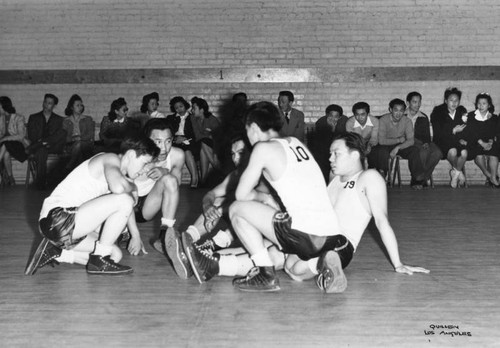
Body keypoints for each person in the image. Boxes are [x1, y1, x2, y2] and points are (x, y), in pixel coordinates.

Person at [188, 101, 342, 292]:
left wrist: (256, 199)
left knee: (237, 208)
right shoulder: (296, 142)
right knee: (287, 261)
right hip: (331, 234)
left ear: (253, 128)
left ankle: (265, 274)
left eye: (247, 131)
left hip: (307, 236)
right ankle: (217, 257)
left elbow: (241, 195)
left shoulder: (263, 148)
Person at [284, 132, 430, 292]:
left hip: (340, 245)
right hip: (317, 239)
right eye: (330, 154)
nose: (330, 159)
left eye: (336, 154)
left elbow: (382, 221)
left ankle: (329, 264)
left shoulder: (369, 177)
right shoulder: (334, 176)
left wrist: (398, 264)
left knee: (296, 271)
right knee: (279, 260)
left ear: (354, 155)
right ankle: (322, 265)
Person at [24, 136, 160, 276]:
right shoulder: (111, 159)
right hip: (58, 217)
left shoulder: (118, 175)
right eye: (145, 163)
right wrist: (133, 187)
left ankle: (57, 252)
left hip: (65, 226)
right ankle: (99, 259)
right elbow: (120, 192)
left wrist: (135, 235)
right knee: (124, 200)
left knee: (114, 255)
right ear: (131, 154)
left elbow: (126, 206)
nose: (144, 170)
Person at [128, 118, 189, 278]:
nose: (164, 148)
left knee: (169, 180)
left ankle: (165, 235)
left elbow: (175, 183)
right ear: (147, 141)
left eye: (168, 141)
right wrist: (135, 234)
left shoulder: (177, 155)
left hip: (148, 205)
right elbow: (121, 194)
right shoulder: (135, 155)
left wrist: (164, 172)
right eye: (158, 142)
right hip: (126, 205)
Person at [372, 98, 425, 189]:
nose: (398, 113)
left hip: (400, 145)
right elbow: (381, 141)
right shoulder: (383, 120)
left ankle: (416, 180)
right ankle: (382, 178)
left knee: (414, 150)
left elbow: (410, 140)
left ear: (404, 111)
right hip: (385, 145)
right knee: (381, 151)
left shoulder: (407, 121)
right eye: (395, 110)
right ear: (390, 110)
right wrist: (398, 140)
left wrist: (398, 147)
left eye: (401, 111)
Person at [26, 93, 66, 189]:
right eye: (45, 102)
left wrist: (46, 141)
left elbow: (60, 137)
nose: (46, 105)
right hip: (40, 147)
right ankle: (41, 183)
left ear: (54, 106)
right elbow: (31, 135)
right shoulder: (33, 117)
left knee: (63, 132)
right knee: (41, 150)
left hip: (53, 146)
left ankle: (41, 143)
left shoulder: (59, 119)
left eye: (49, 103)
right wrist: (42, 143)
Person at [430, 87, 468, 188]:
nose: (454, 103)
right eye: (451, 100)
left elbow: (465, 129)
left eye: (456, 100)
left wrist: (462, 138)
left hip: (457, 141)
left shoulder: (462, 111)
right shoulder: (437, 112)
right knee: (453, 151)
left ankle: (455, 174)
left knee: (464, 153)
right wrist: (453, 130)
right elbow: (438, 132)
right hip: (442, 142)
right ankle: (459, 172)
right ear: (446, 100)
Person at [405, 92, 442, 186]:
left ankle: (420, 178)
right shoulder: (402, 115)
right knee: (423, 152)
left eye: (419, 102)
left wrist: (426, 142)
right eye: (414, 102)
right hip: (407, 142)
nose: (417, 104)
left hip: (421, 141)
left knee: (437, 153)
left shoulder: (423, 117)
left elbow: (426, 135)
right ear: (408, 103)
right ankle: (419, 179)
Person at [463, 93, 499, 187]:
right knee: (478, 155)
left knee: (494, 153)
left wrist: (490, 142)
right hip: (475, 142)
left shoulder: (494, 117)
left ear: (489, 105)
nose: (481, 106)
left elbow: (494, 132)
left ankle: (494, 178)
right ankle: (488, 174)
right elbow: (470, 133)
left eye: (484, 103)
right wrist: (481, 143)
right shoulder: (471, 116)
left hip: (488, 142)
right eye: (479, 103)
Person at [166, 96, 199, 188]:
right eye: (176, 108)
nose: (179, 109)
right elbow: (168, 132)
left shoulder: (192, 117)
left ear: (185, 106)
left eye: (181, 106)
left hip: (188, 141)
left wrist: (185, 139)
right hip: (175, 141)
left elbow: (195, 133)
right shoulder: (170, 118)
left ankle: (195, 178)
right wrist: (175, 139)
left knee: (187, 151)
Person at [312, 104, 348, 182]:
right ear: (327, 115)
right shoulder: (321, 122)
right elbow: (322, 140)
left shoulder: (344, 121)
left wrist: (334, 128)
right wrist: (330, 128)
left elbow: (342, 139)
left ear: (340, 117)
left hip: (339, 147)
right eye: (331, 116)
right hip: (325, 148)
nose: (333, 119)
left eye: (336, 116)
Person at [191, 97, 220, 186]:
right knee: (203, 144)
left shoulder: (212, 119)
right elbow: (197, 136)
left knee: (203, 145)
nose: (192, 110)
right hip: (201, 143)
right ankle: (213, 171)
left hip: (215, 144)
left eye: (194, 108)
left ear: (202, 110)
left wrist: (208, 136)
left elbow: (218, 137)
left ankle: (204, 179)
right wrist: (208, 134)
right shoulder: (193, 119)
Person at [0, 96, 30, 186]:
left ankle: (10, 178)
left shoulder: (19, 118)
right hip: (5, 147)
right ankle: (11, 179)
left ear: (3, 106)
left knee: (6, 143)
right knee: (5, 154)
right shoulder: (0, 119)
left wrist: (5, 138)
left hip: (18, 145)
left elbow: (21, 136)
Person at [62, 94, 95, 172]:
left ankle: (70, 165)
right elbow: (64, 137)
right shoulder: (65, 121)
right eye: (77, 105)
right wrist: (74, 139)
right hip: (70, 145)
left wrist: (80, 138)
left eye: (81, 105)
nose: (80, 107)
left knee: (79, 145)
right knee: (78, 151)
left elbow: (90, 134)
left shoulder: (87, 119)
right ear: (71, 107)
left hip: (85, 144)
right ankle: (80, 170)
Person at [345, 101, 379, 170]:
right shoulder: (349, 123)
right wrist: (361, 150)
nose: (359, 117)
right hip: (356, 145)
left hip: (370, 145)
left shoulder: (375, 121)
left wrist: (369, 146)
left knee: (378, 153)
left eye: (363, 114)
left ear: (368, 114)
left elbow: (374, 138)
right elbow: (352, 141)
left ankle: (375, 173)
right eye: (357, 114)